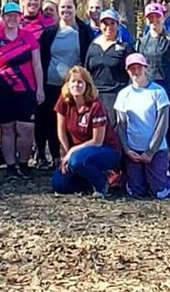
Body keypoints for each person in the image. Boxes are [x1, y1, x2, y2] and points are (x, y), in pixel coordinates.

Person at [0, 1, 44, 177]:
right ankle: (10, 166)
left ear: (20, 17)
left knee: (26, 128)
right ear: (3, 18)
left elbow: (37, 64)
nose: (12, 19)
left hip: (26, 88)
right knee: (7, 128)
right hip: (2, 90)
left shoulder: (28, 37)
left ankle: (24, 163)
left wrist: (40, 89)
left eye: (15, 15)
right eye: (8, 15)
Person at [36, 0, 94, 169]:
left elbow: (88, 58)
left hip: (76, 87)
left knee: (74, 122)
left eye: (69, 7)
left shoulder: (84, 32)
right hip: (52, 84)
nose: (66, 10)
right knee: (51, 120)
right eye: (63, 7)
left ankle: (73, 155)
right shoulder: (49, 33)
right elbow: (41, 59)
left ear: (76, 9)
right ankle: (53, 155)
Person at [136, 1, 170, 192]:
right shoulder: (142, 41)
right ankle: (150, 175)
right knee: (150, 134)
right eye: (150, 17)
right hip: (147, 95)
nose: (154, 20)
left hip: (167, 95)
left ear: (163, 17)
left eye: (157, 16)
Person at [52, 66, 121, 196]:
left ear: (87, 85)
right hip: (78, 153)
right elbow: (61, 131)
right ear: (68, 84)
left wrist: (72, 152)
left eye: (80, 82)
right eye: (73, 82)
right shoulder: (64, 101)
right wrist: (67, 153)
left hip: (105, 149)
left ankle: (102, 183)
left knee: (76, 161)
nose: (76, 85)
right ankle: (88, 182)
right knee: (59, 185)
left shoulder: (95, 106)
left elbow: (97, 141)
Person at [115, 53, 170, 199]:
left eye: (139, 67)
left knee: (158, 193)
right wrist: (127, 150)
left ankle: (167, 174)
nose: (135, 71)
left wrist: (151, 151)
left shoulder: (158, 92)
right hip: (134, 150)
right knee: (136, 192)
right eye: (131, 68)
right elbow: (121, 125)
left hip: (156, 150)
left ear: (145, 68)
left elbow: (162, 124)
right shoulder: (123, 94)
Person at [84, 8, 134, 122]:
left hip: (116, 95)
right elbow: (86, 72)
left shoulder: (125, 47)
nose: (109, 27)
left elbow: (133, 74)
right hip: (95, 96)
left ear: (118, 25)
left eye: (112, 23)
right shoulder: (93, 46)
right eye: (105, 23)